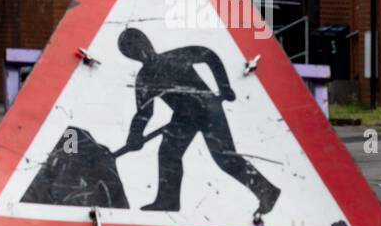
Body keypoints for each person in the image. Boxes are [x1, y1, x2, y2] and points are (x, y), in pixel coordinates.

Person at [118, 27, 280, 215]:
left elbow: (209, 56)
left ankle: (266, 191)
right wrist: (135, 136)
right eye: (133, 51)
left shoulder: (175, 56)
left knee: (224, 157)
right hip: (183, 117)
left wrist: (224, 86)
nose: (142, 52)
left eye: (140, 45)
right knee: (168, 154)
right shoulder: (144, 78)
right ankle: (168, 200)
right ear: (131, 56)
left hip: (208, 108)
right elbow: (144, 112)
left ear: (147, 42)